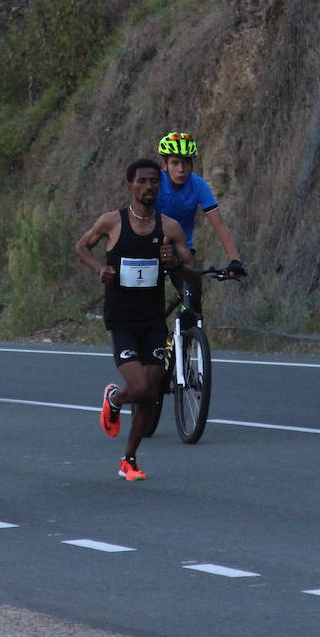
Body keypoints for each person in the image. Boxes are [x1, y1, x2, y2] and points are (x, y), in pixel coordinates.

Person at [74, 158, 195, 482]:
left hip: (153, 319)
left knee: (151, 392)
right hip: (122, 319)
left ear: (160, 185)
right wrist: (99, 268)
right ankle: (114, 397)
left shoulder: (169, 227)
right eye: (142, 181)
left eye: (154, 181)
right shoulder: (112, 222)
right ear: (130, 185)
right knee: (138, 387)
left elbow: (191, 269)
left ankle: (129, 458)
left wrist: (174, 264)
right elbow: (82, 246)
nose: (149, 187)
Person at [154, 131, 246, 316]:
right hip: (151, 248)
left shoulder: (199, 186)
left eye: (186, 163)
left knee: (193, 298)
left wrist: (235, 260)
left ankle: (186, 336)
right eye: (175, 163)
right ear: (165, 164)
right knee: (150, 303)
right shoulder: (154, 183)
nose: (181, 169)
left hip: (182, 251)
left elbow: (219, 225)